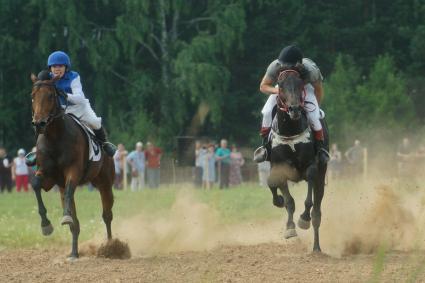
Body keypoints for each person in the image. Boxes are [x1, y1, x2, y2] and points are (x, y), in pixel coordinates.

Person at [26, 51, 116, 167]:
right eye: (54, 66)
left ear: (66, 67)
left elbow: (80, 98)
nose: (57, 69)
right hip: (62, 110)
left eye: (60, 66)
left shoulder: (74, 77)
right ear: (50, 68)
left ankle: (104, 144)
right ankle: (38, 151)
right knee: (41, 122)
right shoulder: (49, 79)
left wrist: (66, 95)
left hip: (80, 108)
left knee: (95, 122)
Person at [253, 45, 329, 164]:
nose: (285, 67)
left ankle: (320, 150)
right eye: (283, 65)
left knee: (314, 117)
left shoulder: (311, 70)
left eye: (289, 65)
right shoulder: (275, 66)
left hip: (305, 88)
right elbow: (263, 86)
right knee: (267, 112)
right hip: (283, 88)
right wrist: (278, 91)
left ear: (299, 64)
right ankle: (265, 147)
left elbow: (318, 90)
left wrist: (316, 107)